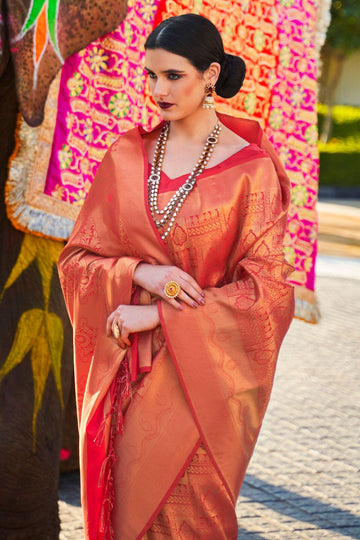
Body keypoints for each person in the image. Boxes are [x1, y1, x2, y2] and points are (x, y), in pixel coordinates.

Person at [58, 13, 295, 540]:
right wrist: (143, 272)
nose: (157, 90)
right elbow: (77, 262)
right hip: (127, 383)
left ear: (210, 75)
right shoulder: (125, 155)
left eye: (173, 76)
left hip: (202, 388)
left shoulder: (250, 171)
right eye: (151, 76)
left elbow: (269, 294)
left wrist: (158, 315)